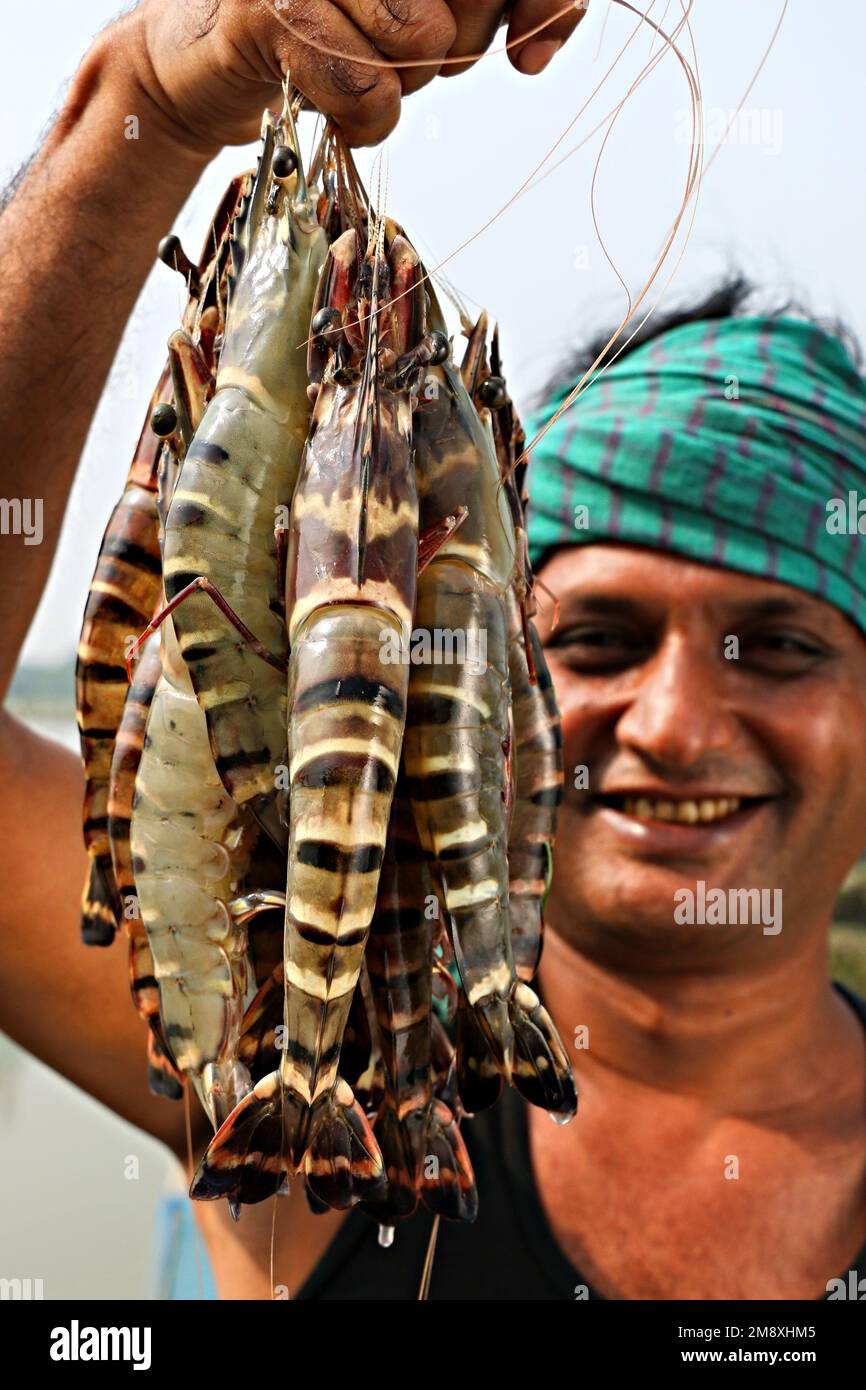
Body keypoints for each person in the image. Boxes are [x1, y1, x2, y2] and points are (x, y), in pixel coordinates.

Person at [1, 0, 864, 1301]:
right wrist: (143, 110)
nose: (676, 721)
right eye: (595, 636)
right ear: (485, 656)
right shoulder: (284, 1067)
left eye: (777, 646)